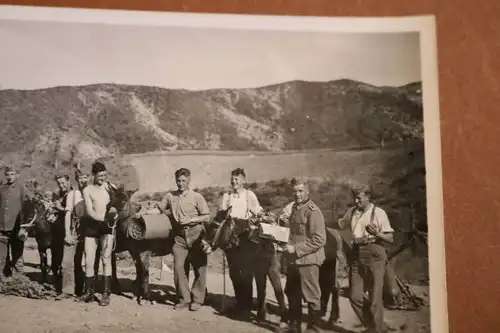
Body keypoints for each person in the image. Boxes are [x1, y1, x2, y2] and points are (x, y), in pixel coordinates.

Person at [336, 184, 394, 333]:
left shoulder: (379, 213)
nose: (356, 201)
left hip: (375, 252)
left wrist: (377, 234)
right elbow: (341, 224)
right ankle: (373, 326)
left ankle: (376, 329)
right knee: (354, 296)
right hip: (357, 253)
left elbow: (390, 238)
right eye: (354, 198)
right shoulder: (353, 212)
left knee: (375, 298)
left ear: (368, 197)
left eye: (359, 198)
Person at [157, 168, 211, 311]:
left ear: (189, 181)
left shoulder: (197, 197)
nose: (180, 184)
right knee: (179, 268)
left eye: (183, 181)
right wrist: (153, 211)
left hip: (196, 235)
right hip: (180, 237)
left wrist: (191, 219)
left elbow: (207, 216)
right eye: (178, 181)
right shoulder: (170, 196)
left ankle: (198, 299)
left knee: (199, 268)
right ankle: (184, 299)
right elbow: (159, 207)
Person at [277, 177, 327, 333]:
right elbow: (295, 233)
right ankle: (295, 326)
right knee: (291, 292)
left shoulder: (313, 211)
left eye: (300, 191)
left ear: (307, 191)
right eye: (294, 191)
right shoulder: (294, 208)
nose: (297, 194)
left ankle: (314, 328)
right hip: (294, 261)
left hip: (308, 260)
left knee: (311, 296)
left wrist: (296, 249)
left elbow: (320, 239)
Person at [218, 168, 263, 319]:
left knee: (245, 272)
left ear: (243, 180)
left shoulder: (249, 195)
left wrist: (256, 217)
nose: (234, 182)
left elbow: (258, 211)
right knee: (233, 272)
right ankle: (239, 302)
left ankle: (247, 306)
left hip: (245, 238)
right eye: (232, 179)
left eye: (237, 179)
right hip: (230, 238)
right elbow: (221, 214)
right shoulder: (227, 196)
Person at [78, 161, 117, 306]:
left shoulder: (109, 187)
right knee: (89, 260)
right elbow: (89, 211)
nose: (103, 178)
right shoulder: (87, 190)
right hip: (92, 227)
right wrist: (103, 219)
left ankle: (106, 294)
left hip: (107, 228)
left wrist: (113, 213)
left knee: (106, 260)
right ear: (93, 175)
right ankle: (89, 292)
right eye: (100, 176)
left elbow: (118, 202)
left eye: (105, 175)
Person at [55, 169, 89, 299]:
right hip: (75, 231)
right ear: (76, 180)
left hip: (90, 233)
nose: (83, 180)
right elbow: (68, 213)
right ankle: (67, 290)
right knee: (67, 261)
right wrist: (67, 233)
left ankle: (84, 290)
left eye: (85, 177)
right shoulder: (73, 195)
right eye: (80, 178)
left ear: (89, 178)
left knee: (87, 263)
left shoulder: (94, 192)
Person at [0, 165, 26, 281]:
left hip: (16, 227)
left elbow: (27, 207)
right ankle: (3, 279)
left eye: (12, 174)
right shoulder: (1, 189)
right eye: (8, 174)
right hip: (2, 227)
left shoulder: (22, 189)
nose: (10, 177)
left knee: (17, 256)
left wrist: (24, 226)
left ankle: (18, 280)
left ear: (17, 175)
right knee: (1, 256)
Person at [50, 174, 72, 299]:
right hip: (58, 230)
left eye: (63, 183)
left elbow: (73, 211)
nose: (61, 186)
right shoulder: (57, 194)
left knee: (68, 260)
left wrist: (60, 208)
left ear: (69, 181)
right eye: (59, 184)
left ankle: (69, 288)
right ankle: (57, 285)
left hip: (69, 229)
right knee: (56, 258)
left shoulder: (74, 193)